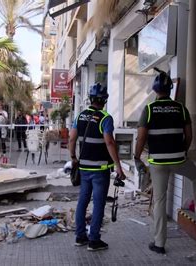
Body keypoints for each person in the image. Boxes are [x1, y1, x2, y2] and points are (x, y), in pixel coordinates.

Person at [134, 70, 196, 255]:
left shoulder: (149, 109)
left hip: (157, 162)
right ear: (170, 89)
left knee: (159, 200)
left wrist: (136, 156)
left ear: (155, 90)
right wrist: (183, 150)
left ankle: (159, 243)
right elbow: (190, 135)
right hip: (178, 159)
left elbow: (141, 138)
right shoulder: (181, 108)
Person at [68, 83, 126, 251]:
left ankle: (80, 236)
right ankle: (94, 240)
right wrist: (118, 166)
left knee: (82, 201)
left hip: (84, 167)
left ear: (90, 99)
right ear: (105, 100)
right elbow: (109, 141)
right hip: (100, 170)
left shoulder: (80, 116)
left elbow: (72, 139)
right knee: (98, 204)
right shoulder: (105, 118)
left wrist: (73, 158)